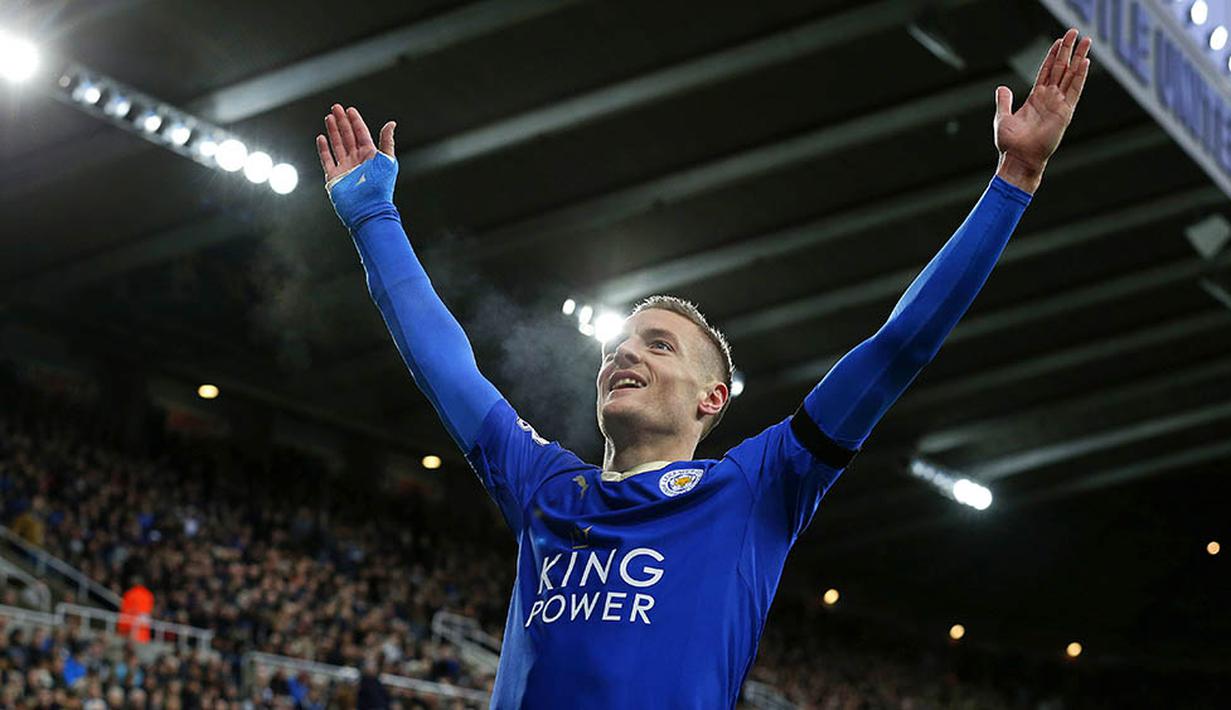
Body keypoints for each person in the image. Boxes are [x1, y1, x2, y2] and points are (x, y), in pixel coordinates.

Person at [316, 30, 1092, 709]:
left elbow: (896, 348)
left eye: (657, 345)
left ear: (711, 398)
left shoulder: (753, 489)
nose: (622, 353)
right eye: (618, 346)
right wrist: (374, 217)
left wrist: (1013, 181)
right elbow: (445, 365)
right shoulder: (546, 489)